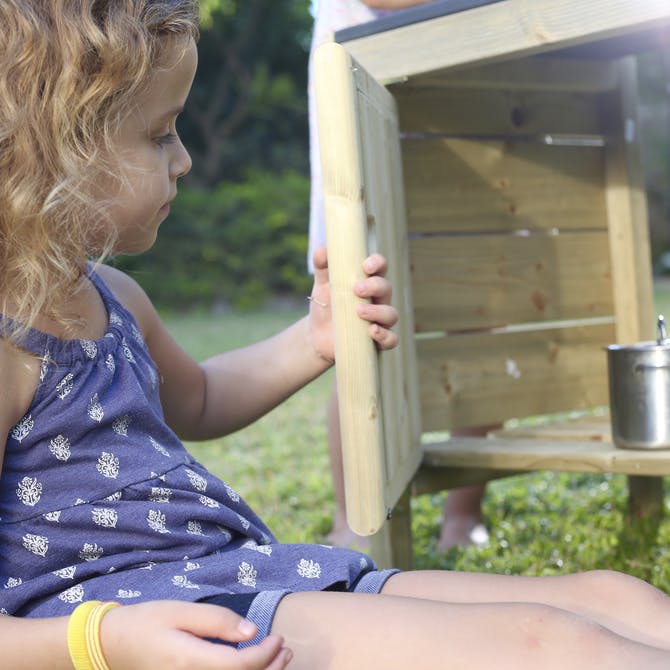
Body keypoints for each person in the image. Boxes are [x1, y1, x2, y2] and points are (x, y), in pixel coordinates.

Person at [3, 2, 670, 669]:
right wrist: (105, 642)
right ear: (54, 147)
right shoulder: (9, 348)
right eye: (160, 134)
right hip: (179, 623)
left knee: (615, 597)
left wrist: (315, 338)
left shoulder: (115, 298)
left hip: (249, 574)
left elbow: (200, 398)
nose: (182, 160)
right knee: (548, 647)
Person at [308, 0, 491, 551]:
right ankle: (354, 520)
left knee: (479, 310)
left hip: (462, 91)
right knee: (356, 323)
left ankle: (463, 515)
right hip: (361, 76)